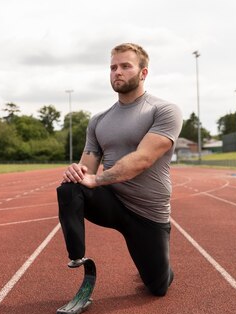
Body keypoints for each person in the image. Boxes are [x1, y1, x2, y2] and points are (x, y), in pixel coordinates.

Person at [57, 43, 183, 297]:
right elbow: (86, 167)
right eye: (113, 67)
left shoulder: (163, 110)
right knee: (70, 188)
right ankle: (78, 260)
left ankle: (162, 270)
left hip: (147, 213)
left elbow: (143, 159)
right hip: (113, 202)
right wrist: (77, 172)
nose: (117, 72)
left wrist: (97, 179)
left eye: (126, 66)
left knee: (157, 287)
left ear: (143, 73)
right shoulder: (99, 120)